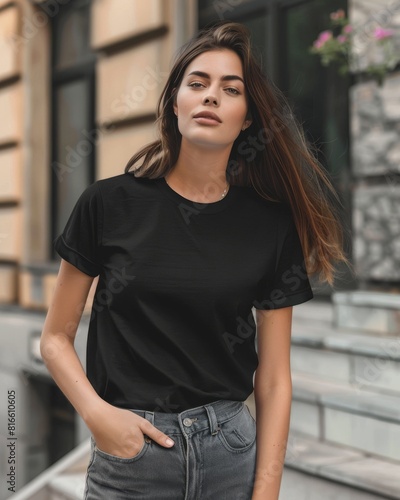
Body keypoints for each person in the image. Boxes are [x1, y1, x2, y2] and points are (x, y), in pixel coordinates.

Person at [40, 21, 347, 500]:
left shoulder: (269, 225)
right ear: (174, 103)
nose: (211, 97)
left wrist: (266, 492)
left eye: (231, 89)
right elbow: (55, 338)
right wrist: (100, 417)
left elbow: (273, 378)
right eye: (197, 84)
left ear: (247, 118)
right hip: (132, 456)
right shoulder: (108, 204)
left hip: (231, 454)